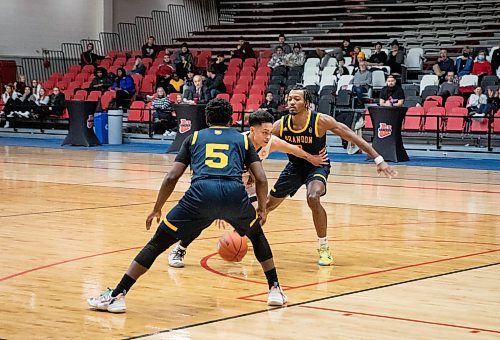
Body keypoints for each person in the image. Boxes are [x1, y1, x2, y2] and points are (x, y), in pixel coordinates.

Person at [87, 99, 288, 313]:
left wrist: (157, 207)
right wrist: (262, 209)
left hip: (199, 195)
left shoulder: (193, 138)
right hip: (234, 195)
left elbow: (172, 176)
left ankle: (118, 295)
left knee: (156, 244)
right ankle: (274, 289)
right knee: (256, 236)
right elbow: (262, 179)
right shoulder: (244, 141)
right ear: (230, 119)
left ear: (207, 119)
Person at [167, 109, 328, 268]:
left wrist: (312, 158)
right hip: (223, 184)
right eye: (264, 132)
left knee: (258, 212)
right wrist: (220, 204)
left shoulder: (271, 142)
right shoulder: (237, 142)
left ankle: (238, 239)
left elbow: (294, 149)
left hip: (246, 186)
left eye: (270, 132)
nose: (268, 136)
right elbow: (221, 173)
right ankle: (179, 249)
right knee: (205, 218)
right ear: (252, 131)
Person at [266, 86, 397, 266]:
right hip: (295, 167)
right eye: (289, 99)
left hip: (318, 166)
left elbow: (351, 135)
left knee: (313, 196)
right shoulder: (280, 125)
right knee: (266, 206)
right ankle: (244, 235)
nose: (292, 102)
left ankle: (324, 246)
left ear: (307, 103)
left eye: (297, 99)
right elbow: (258, 143)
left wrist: (378, 159)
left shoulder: (321, 121)